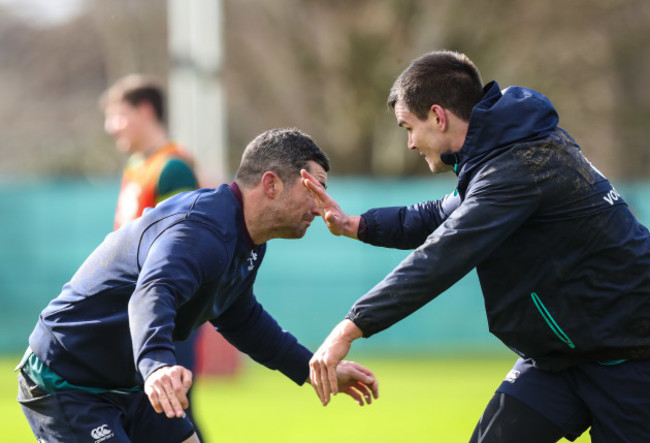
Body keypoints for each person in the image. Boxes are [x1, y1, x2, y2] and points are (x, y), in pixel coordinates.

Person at [304, 50, 650, 442]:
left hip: (631, 359)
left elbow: (443, 254)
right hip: (559, 360)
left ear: (438, 116)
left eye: (407, 128)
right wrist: (356, 224)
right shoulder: (500, 158)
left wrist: (349, 327)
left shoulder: (520, 167)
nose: (410, 144)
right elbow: (440, 215)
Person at [16, 128, 379, 443]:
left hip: (131, 381)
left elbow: (242, 319)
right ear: (271, 184)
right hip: (68, 378)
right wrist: (157, 366)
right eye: (312, 189)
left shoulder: (246, 240)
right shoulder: (200, 229)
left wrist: (310, 367)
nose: (320, 206)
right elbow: (153, 293)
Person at [101, 74, 205, 440]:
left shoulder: (172, 167)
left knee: (172, 410)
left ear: (145, 111)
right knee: (155, 412)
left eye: (117, 114)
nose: (110, 126)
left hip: (166, 313)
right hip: (135, 312)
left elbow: (182, 247)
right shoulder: (136, 166)